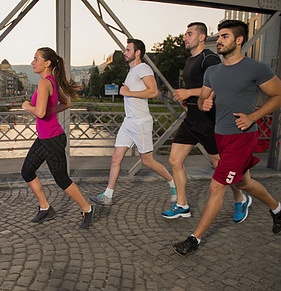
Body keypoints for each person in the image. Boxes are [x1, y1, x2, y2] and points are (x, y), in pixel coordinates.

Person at [173, 20, 281, 256]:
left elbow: (278, 95)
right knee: (242, 182)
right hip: (220, 135)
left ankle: (194, 239)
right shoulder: (212, 71)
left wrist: (253, 116)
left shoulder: (257, 68)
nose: (219, 40)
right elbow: (202, 100)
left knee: (216, 185)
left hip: (242, 136)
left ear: (239, 40)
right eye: (219, 36)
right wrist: (205, 103)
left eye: (224, 37)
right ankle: (277, 208)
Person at [162, 22, 246, 222]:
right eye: (185, 33)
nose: (185, 37)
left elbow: (218, 85)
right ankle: (182, 205)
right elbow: (198, 88)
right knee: (174, 160)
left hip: (209, 121)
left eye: (189, 34)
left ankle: (241, 198)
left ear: (201, 37)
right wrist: (186, 99)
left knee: (221, 165)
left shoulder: (209, 59)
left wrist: (189, 92)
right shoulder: (191, 61)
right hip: (191, 119)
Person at [90, 38, 177, 206]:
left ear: (138, 53)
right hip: (129, 122)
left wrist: (128, 92)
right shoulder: (131, 72)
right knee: (116, 158)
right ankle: (108, 195)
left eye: (128, 50)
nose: (124, 53)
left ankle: (173, 183)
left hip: (141, 122)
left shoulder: (143, 68)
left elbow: (153, 92)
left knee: (147, 161)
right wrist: (128, 91)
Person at [21, 47, 97, 229]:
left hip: (52, 139)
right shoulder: (50, 82)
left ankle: (87, 209)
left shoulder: (44, 83)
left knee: (62, 179)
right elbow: (67, 103)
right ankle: (45, 207)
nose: (32, 62)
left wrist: (27, 106)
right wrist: (47, 110)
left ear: (47, 63)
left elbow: (39, 113)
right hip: (45, 137)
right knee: (27, 171)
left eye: (35, 58)